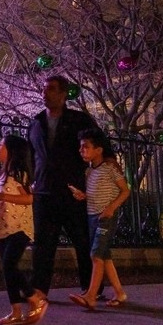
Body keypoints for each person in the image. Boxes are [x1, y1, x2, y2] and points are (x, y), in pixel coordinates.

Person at [28, 75, 98, 301]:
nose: (45, 93)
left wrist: (91, 176)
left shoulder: (79, 121)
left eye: (51, 89)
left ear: (63, 94)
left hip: (71, 192)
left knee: (82, 241)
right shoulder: (36, 122)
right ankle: (39, 290)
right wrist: (30, 180)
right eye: (44, 89)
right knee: (42, 245)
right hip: (44, 191)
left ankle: (91, 288)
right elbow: (32, 155)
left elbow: (98, 147)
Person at [0, 135, 49, 325]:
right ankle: (15, 311)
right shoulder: (2, 174)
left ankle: (34, 298)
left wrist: (3, 195)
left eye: (1, 145)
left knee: (9, 265)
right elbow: (3, 202)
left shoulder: (18, 173)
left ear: (11, 151)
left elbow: (29, 199)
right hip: (5, 227)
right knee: (7, 270)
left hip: (20, 228)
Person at [68, 128, 130, 309]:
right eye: (80, 147)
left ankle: (91, 296)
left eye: (85, 147)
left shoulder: (110, 168)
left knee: (95, 255)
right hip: (92, 216)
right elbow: (97, 193)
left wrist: (111, 208)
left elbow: (125, 191)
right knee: (105, 256)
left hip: (105, 217)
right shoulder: (89, 172)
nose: (81, 151)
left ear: (99, 149)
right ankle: (119, 292)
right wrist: (83, 196)